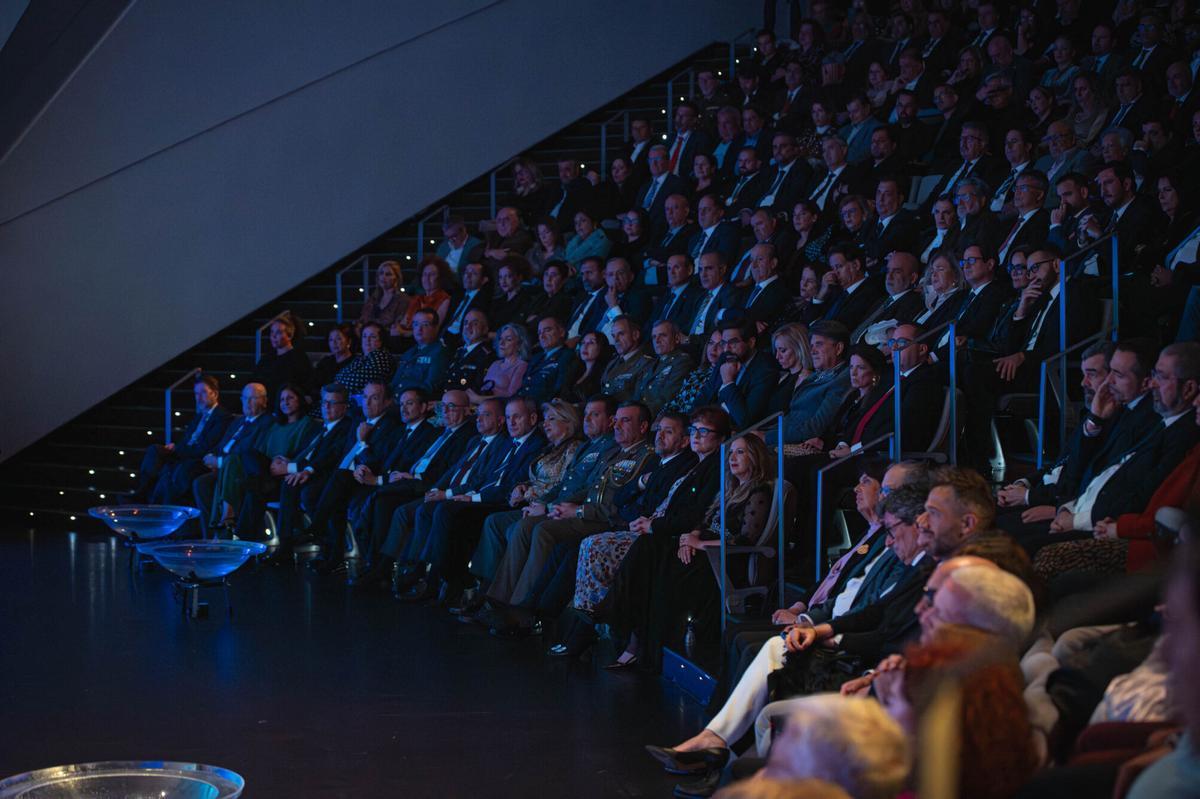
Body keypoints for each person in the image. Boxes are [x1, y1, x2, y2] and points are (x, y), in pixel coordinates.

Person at [482, 401, 655, 635]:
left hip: (605, 521)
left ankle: (521, 610)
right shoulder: (614, 452)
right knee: (526, 525)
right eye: (617, 420)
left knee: (543, 530)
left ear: (643, 427)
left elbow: (623, 505)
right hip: (587, 512)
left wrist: (578, 511)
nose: (617, 425)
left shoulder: (646, 456)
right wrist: (559, 506)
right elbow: (590, 488)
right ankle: (500, 601)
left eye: (626, 420)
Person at [456, 395, 618, 618]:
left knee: (526, 528)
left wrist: (547, 505)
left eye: (595, 414)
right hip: (547, 503)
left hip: (572, 510)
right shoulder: (584, 447)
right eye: (586, 414)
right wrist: (535, 497)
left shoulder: (589, 447)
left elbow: (585, 488)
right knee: (495, 522)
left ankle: (517, 607)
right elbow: (563, 484)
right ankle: (492, 596)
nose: (545, 424)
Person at [265, 382, 356, 557]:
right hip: (308, 471)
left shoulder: (346, 427)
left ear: (344, 407)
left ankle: (318, 541)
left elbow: (331, 456)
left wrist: (300, 469)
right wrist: (289, 462)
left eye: (332, 403)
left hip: (326, 475)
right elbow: (305, 453)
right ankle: (285, 544)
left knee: (303, 488)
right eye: (324, 402)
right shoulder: (320, 427)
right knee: (289, 482)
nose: (326, 407)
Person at [125, 374, 231, 506]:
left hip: (198, 457)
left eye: (203, 393)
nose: (198, 398)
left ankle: (151, 500)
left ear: (214, 394)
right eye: (196, 394)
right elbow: (187, 438)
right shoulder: (200, 415)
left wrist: (178, 449)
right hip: (186, 451)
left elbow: (206, 446)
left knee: (171, 468)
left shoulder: (222, 417)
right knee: (155, 450)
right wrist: (175, 446)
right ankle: (142, 493)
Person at [231, 383, 319, 540]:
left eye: (290, 398)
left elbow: (305, 453)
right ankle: (264, 482)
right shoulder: (275, 425)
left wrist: (286, 461)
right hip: (267, 471)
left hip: (286, 473)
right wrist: (272, 462)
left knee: (253, 488)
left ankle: (242, 537)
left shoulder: (308, 424)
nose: (285, 402)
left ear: (300, 400)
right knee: (248, 453)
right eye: (282, 399)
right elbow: (261, 450)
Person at [192, 383, 273, 537]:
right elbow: (221, 445)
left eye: (253, 398)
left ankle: (224, 530)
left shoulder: (267, 422)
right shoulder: (238, 421)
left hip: (241, 469)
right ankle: (210, 536)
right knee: (200, 483)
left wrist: (220, 462)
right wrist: (211, 456)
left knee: (206, 482)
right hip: (222, 465)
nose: (248, 403)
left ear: (264, 401)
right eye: (245, 398)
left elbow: (248, 451)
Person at [782, 320, 851, 444]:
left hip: (800, 443)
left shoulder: (842, 380)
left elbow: (815, 427)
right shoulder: (814, 375)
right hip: (785, 434)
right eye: (811, 346)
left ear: (838, 348)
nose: (812, 351)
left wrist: (767, 437)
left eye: (819, 344)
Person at [636, 321, 695, 416]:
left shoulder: (682, 362)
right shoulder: (650, 364)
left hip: (656, 416)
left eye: (662, 335)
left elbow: (667, 398)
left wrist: (640, 415)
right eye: (654, 337)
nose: (657, 341)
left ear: (676, 338)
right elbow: (637, 395)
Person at [251, 316, 313, 404]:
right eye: (272, 332)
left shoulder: (299, 358)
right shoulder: (267, 357)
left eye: (278, 332)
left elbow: (305, 384)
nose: (273, 336)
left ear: (289, 335)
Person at [389, 308, 449, 397]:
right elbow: (394, 383)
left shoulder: (439, 353)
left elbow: (430, 387)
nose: (419, 329)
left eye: (425, 325)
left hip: (416, 401)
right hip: (397, 399)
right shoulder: (408, 353)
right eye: (416, 324)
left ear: (436, 328)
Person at [391, 257, 452, 342]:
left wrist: (404, 333)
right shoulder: (417, 298)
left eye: (432, 274)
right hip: (408, 339)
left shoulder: (445, 299)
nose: (427, 278)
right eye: (424, 274)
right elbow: (403, 323)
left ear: (441, 278)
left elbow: (433, 330)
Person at [516, 316, 575, 403]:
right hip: (522, 401)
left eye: (547, 330)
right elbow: (524, 385)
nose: (542, 336)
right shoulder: (536, 357)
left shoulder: (567, 356)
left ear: (561, 332)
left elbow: (559, 390)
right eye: (539, 333)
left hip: (541, 405)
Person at [664, 330, 723, 416]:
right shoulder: (698, 371)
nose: (713, 348)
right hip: (672, 417)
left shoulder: (720, 378)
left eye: (720, 344)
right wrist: (662, 415)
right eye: (711, 343)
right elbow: (678, 400)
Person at [598, 315, 655, 402]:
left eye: (621, 334)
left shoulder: (646, 363)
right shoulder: (613, 362)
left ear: (635, 335)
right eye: (613, 336)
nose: (616, 340)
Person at [468, 323, 529, 404]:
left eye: (508, 339)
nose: (501, 343)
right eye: (500, 338)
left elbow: (511, 396)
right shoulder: (495, 363)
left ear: (519, 345)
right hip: (479, 402)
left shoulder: (521, 365)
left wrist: (480, 399)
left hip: (496, 407)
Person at [333, 323, 395, 399]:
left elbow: (359, 380)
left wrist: (338, 384)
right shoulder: (360, 357)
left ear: (381, 341)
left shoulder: (381, 356)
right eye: (364, 336)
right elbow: (340, 375)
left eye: (372, 337)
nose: (367, 340)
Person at [441, 310, 494, 394]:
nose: (468, 326)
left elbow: (478, 388)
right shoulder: (457, 351)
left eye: (475, 323)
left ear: (485, 329)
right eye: (465, 323)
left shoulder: (486, 356)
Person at [440, 261, 491, 347]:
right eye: (466, 272)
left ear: (483, 280)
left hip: (458, 341)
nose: (468, 276)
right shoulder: (457, 294)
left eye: (474, 273)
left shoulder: (485, 301)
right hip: (442, 335)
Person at [768, 324, 814, 414]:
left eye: (783, 350)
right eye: (776, 351)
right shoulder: (783, 377)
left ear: (799, 348)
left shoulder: (804, 378)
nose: (777, 356)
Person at [356, 260, 408, 333]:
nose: (383, 277)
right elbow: (362, 321)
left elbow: (399, 326)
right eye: (381, 273)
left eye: (388, 274)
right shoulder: (373, 299)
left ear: (396, 278)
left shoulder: (402, 300)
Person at [310, 324, 355, 404]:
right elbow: (314, 384)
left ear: (348, 341)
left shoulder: (355, 363)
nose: (334, 343)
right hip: (322, 401)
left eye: (338, 339)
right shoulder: (325, 362)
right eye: (331, 340)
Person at [563, 330, 612, 404]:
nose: (585, 346)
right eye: (583, 343)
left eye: (591, 343)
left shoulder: (604, 374)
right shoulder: (574, 369)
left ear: (601, 347)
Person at [523, 259, 573, 330]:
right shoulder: (540, 297)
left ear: (564, 280)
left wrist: (534, 318)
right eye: (546, 274)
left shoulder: (564, 300)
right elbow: (524, 316)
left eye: (553, 275)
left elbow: (541, 323)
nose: (548, 279)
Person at [435, 216, 483, 281]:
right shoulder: (443, 246)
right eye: (448, 237)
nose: (451, 241)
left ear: (463, 231)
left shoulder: (476, 246)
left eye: (454, 236)